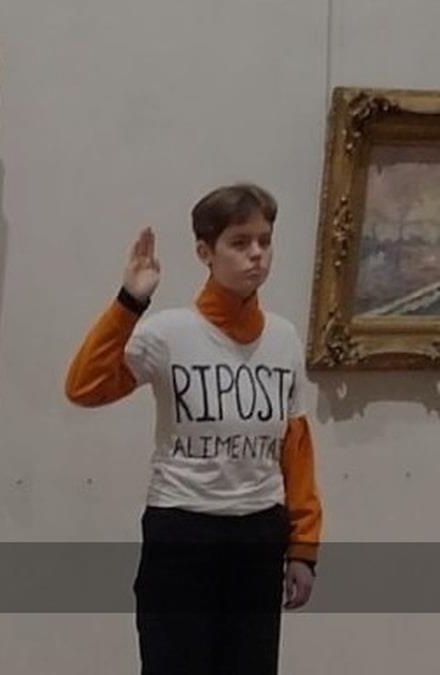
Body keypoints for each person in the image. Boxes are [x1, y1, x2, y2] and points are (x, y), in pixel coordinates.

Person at [64, 183, 322, 674]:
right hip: (182, 529)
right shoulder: (169, 333)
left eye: (265, 241)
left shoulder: (284, 338)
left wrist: (303, 547)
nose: (257, 254)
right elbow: (84, 386)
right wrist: (129, 303)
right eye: (240, 242)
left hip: (258, 532)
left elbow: (296, 449)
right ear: (206, 252)